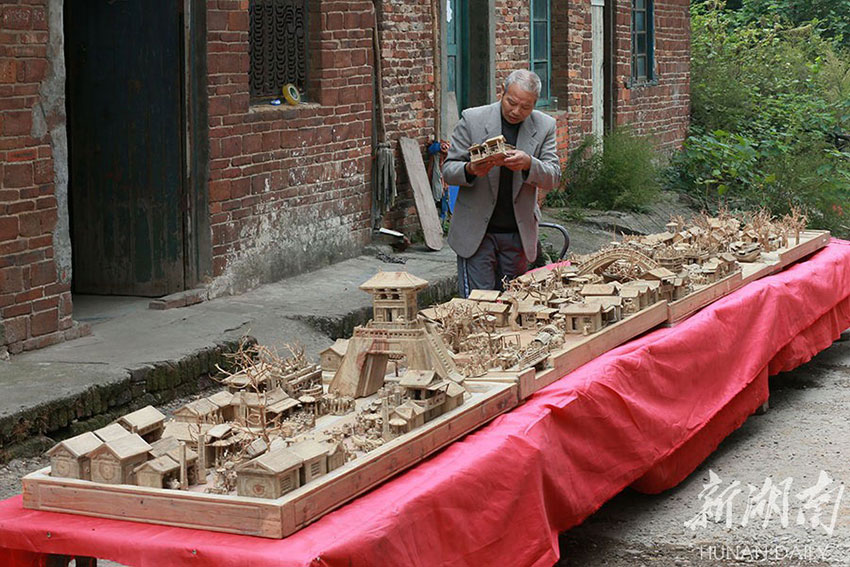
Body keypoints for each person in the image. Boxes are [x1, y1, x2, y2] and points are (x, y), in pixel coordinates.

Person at [442, 69, 561, 297]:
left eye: (525, 107)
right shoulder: (472, 119)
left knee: (514, 303)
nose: (516, 111)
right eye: (511, 102)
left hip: (518, 233)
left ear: (534, 105)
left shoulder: (545, 126)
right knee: (479, 304)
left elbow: (553, 176)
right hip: (477, 232)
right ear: (502, 93)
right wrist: (471, 169)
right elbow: (449, 170)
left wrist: (529, 164)